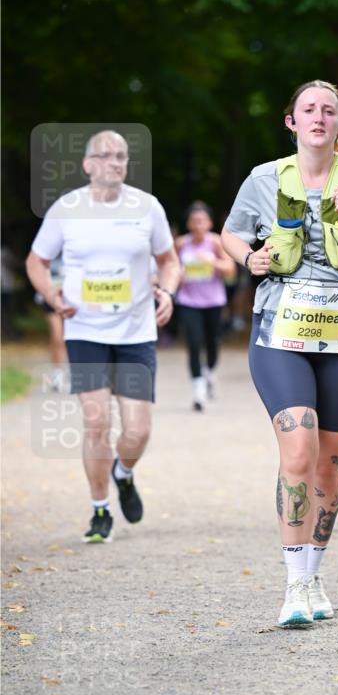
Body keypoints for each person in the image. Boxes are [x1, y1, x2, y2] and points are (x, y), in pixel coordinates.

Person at [221, 80, 338, 628]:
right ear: (291, 122)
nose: (319, 117)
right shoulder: (264, 179)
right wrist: (248, 259)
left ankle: (314, 572)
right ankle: (294, 585)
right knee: (297, 450)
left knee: (330, 464)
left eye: (329, 110)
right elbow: (231, 235)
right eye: (308, 109)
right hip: (279, 333)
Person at [26, 130, 180, 544]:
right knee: (95, 422)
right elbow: (36, 261)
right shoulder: (66, 210)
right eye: (106, 156)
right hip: (85, 330)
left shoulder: (146, 208)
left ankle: (123, 473)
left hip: (135, 331)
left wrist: (166, 290)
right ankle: (100, 510)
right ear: (88, 164)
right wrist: (50, 294)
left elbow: (169, 261)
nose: (115, 162)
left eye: (121, 156)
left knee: (137, 430)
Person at [175, 202, 236, 410]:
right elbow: (171, 269)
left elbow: (230, 270)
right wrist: (179, 275)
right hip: (188, 301)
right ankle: (198, 391)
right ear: (189, 223)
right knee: (193, 344)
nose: (198, 224)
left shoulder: (216, 242)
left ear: (209, 223)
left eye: (201, 220)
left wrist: (212, 262)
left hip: (213, 302)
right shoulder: (181, 244)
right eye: (194, 220)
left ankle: (209, 371)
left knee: (212, 343)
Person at [34, 254, 68, 392]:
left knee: (74, 339)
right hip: (52, 301)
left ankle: (74, 372)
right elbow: (38, 273)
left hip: (73, 301)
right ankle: (57, 374)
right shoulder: (46, 253)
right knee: (57, 337)